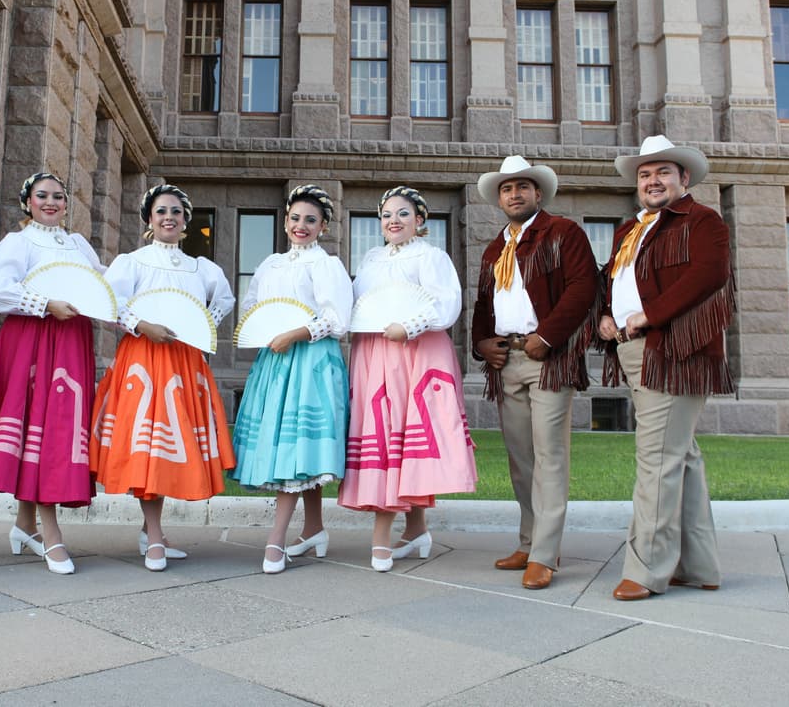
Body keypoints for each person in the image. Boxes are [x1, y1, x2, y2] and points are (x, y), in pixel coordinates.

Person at [597, 135, 734, 601]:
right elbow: (616, 282)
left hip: (674, 352)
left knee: (656, 459)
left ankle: (646, 570)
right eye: (645, 174)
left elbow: (709, 274)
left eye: (662, 172)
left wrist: (649, 315)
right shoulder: (630, 230)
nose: (652, 181)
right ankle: (699, 566)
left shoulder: (702, 220)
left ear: (684, 178)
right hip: (633, 350)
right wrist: (605, 314)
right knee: (681, 457)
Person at [89, 184, 236, 572]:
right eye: (161, 211)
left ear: (186, 221)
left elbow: (224, 299)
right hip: (144, 360)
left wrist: (200, 325)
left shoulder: (202, 268)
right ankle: (154, 536)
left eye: (176, 211)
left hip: (184, 362)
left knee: (172, 448)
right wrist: (142, 325)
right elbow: (109, 303)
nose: (169, 217)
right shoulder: (132, 262)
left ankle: (149, 531)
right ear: (149, 220)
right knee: (149, 448)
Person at [0, 172, 103, 575]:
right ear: (28, 202)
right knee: (42, 424)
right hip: (32, 337)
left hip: (71, 340)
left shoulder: (78, 245)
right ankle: (51, 531)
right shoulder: (18, 242)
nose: (51, 202)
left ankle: (25, 525)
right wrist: (44, 304)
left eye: (58, 196)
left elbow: (101, 285)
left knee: (52, 425)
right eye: (42, 195)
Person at [471, 156, 598, 590]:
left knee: (549, 455)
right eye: (507, 188)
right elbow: (484, 303)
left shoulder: (563, 233)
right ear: (499, 199)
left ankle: (545, 553)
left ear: (538, 193)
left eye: (523, 186)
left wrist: (548, 336)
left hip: (549, 359)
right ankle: (528, 542)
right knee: (521, 458)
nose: (515, 194)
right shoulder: (496, 248)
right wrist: (481, 343)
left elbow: (583, 287)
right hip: (508, 360)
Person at [338, 186, 477, 572]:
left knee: (399, 432)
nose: (393, 221)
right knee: (386, 429)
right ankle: (416, 529)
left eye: (402, 213)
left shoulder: (431, 256)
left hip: (415, 349)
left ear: (419, 220)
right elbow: (357, 305)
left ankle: (382, 535)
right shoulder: (371, 259)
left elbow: (445, 303)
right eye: (386, 215)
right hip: (373, 352)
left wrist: (410, 325)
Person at [231, 185, 353, 574]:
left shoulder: (326, 265)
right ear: (285, 221)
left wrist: (295, 333)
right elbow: (252, 306)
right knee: (292, 444)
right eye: (295, 218)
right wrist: (265, 329)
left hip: (311, 358)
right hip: (274, 359)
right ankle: (314, 528)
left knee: (295, 446)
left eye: (311, 220)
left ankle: (276, 539)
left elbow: (337, 319)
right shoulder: (271, 264)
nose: (302, 225)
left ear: (324, 226)